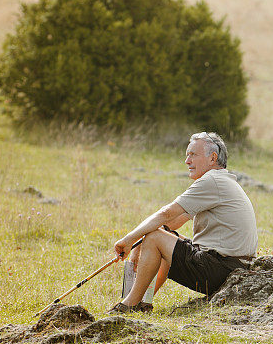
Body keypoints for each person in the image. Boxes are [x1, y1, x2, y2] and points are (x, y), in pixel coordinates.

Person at [109, 132, 257, 313]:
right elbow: (175, 221)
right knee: (160, 236)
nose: (187, 161)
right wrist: (139, 242)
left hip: (220, 269)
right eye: (187, 154)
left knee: (156, 237)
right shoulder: (221, 180)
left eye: (193, 154)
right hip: (232, 268)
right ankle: (142, 301)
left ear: (213, 158)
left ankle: (129, 305)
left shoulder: (211, 181)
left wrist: (129, 239)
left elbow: (167, 213)